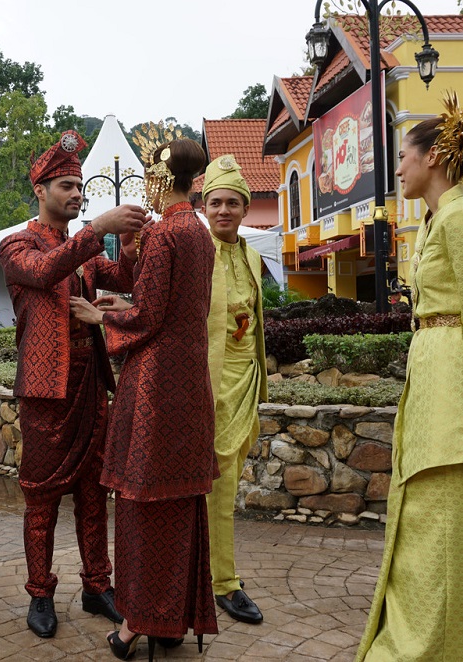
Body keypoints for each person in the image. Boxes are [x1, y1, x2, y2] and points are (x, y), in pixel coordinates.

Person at [356, 93, 463, 661]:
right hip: (437, 386)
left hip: (457, 398)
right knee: (425, 536)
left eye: (403, 155)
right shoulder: (438, 220)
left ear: (436, 156)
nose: (397, 167)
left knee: (450, 537)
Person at [71, 136, 217, 660]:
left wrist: (100, 315)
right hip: (189, 383)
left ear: (159, 176)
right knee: (179, 503)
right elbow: (175, 309)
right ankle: (175, 618)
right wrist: (124, 301)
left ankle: (133, 624)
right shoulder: (199, 233)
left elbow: (147, 316)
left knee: (141, 504)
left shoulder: (162, 234)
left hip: (153, 386)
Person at [0, 130, 147, 639]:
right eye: (65, 185)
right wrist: (97, 227)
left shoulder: (83, 253)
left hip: (89, 383)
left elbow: (123, 280)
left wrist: (125, 249)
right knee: (40, 497)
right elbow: (43, 272)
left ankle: (96, 584)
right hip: (45, 388)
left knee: (92, 490)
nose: (76, 194)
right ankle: (40, 591)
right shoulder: (17, 244)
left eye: (79, 187)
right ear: (40, 190)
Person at [201, 155, 268, 625]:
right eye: (215, 202)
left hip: (246, 379)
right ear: (204, 208)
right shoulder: (195, 253)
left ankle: (208, 574)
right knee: (218, 488)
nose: (223, 210)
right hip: (208, 381)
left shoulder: (252, 255)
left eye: (232, 203)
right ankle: (223, 583)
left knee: (227, 483)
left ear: (245, 209)